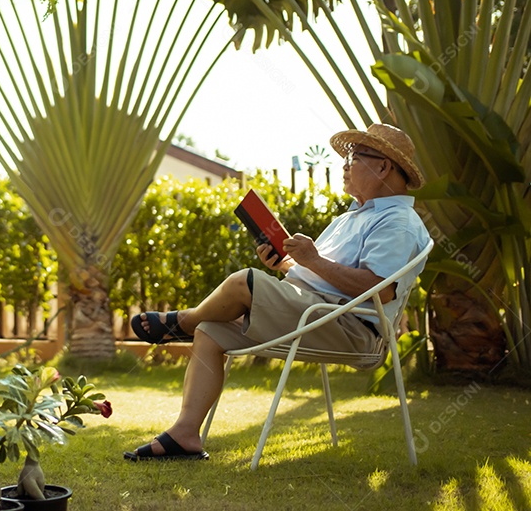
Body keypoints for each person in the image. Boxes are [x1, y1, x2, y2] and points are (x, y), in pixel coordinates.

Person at [125, 123, 431, 461]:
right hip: (315, 312)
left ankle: (180, 323)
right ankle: (185, 435)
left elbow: (380, 290)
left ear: (384, 166)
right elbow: (321, 276)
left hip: (352, 329)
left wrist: (312, 259)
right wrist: (287, 265)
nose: (344, 166)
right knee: (210, 331)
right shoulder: (352, 218)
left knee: (244, 280)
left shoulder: (397, 221)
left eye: (354, 157)